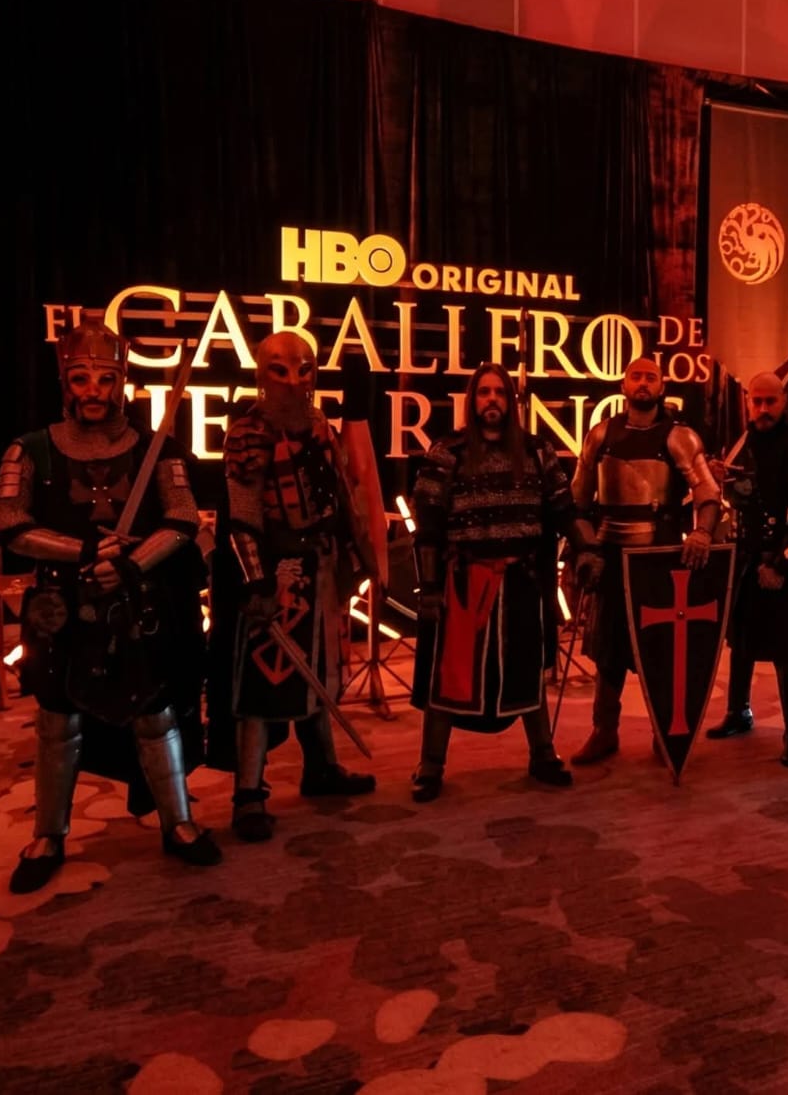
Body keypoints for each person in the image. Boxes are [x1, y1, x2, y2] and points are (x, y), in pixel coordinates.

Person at [0, 318, 220, 892]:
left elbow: (182, 519)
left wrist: (132, 563)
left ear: (121, 383)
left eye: (105, 379)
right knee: (56, 717)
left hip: (137, 600)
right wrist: (84, 551)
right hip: (60, 605)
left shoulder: (158, 449)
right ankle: (48, 834)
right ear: (65, 383)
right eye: (81, 378)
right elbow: (8, 525)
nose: (93, 390)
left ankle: (178, 823)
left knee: (154, 709)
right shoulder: (29, 450)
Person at [408, 363, 601, 801]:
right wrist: (431, 587)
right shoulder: (447, 451)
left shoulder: (536, 451)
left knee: (527, 670)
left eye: (499, 393)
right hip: (463, 583)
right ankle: (430, 764)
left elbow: (564, 509)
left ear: (511, 402)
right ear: (472, 400)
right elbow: (429, 523)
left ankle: (543, 754)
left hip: (521, 581)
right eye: (484, 392)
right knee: (449, 674)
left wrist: (586, 549)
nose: (491, 400)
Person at [222, 331, 375, 842]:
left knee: (319, 673)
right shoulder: (248, 433)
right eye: (280, 369)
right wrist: (256, 583)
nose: (293, 380)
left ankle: (321, 767)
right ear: (261, 374)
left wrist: (354, 555)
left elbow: (338, 494)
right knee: (264, 681)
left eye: (303, 369)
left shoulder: (320, 425)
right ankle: (248, 793)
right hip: (278, 570)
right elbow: (242, 519)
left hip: (322, 566)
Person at [569, 356, 722, 765]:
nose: (642, 383)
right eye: (635, 376)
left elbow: (708, 494)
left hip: (659, 558)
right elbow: (578, 503)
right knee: (607, 651)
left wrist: (702, 533)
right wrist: (587, 548)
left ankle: (664, 733)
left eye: (650, 377)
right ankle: (604, 730)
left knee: (660, 651)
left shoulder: (679, 437)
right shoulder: (600, 435)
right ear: (623, 385)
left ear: (661, 386)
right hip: (610, 554)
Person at [705, 372, 788, 766]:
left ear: (783, 400)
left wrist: (780, 563)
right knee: (740, 641)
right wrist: (717, 478)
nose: (764, 409)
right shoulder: (741, 443)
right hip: (741, 558)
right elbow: (737, 498)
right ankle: (738, 712)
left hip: (775, 559)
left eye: (771, 401)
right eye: (757, 401)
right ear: (748, 402)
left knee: (783, 649)